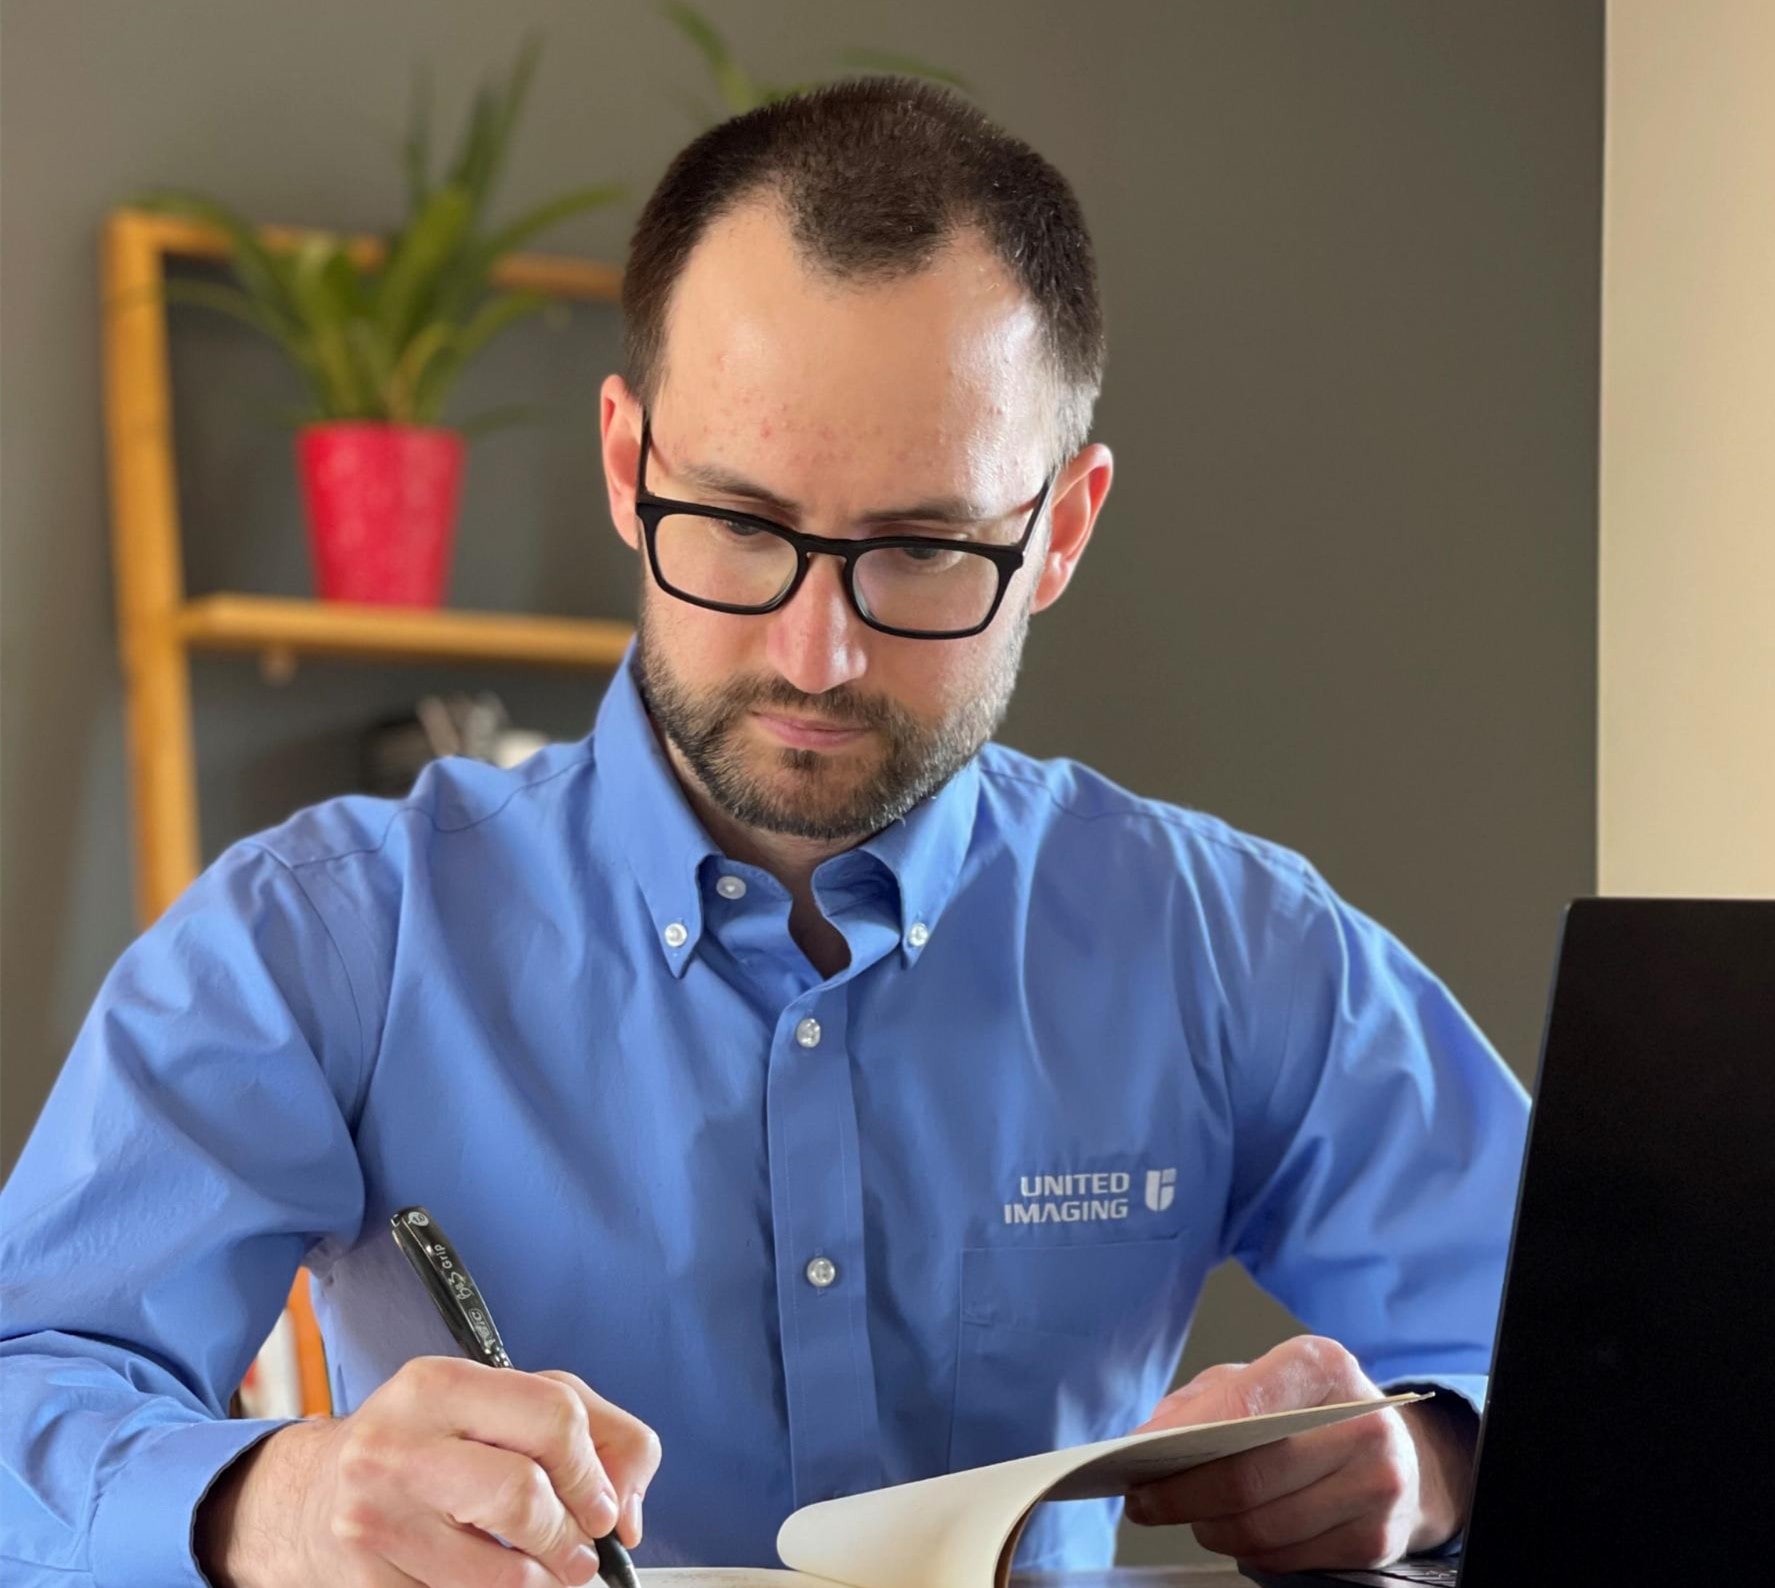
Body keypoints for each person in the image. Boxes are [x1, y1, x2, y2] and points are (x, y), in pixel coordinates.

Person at [0, 77, 1528, 1588]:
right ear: (627, 466)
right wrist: (283, 1506)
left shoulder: (1227, 943)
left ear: (1060, 529)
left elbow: (1606, 1350)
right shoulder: (323, 936)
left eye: (921, 549)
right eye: (739, 526)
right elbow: (25, 1387)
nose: (817, 656)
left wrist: (1431, 1462)